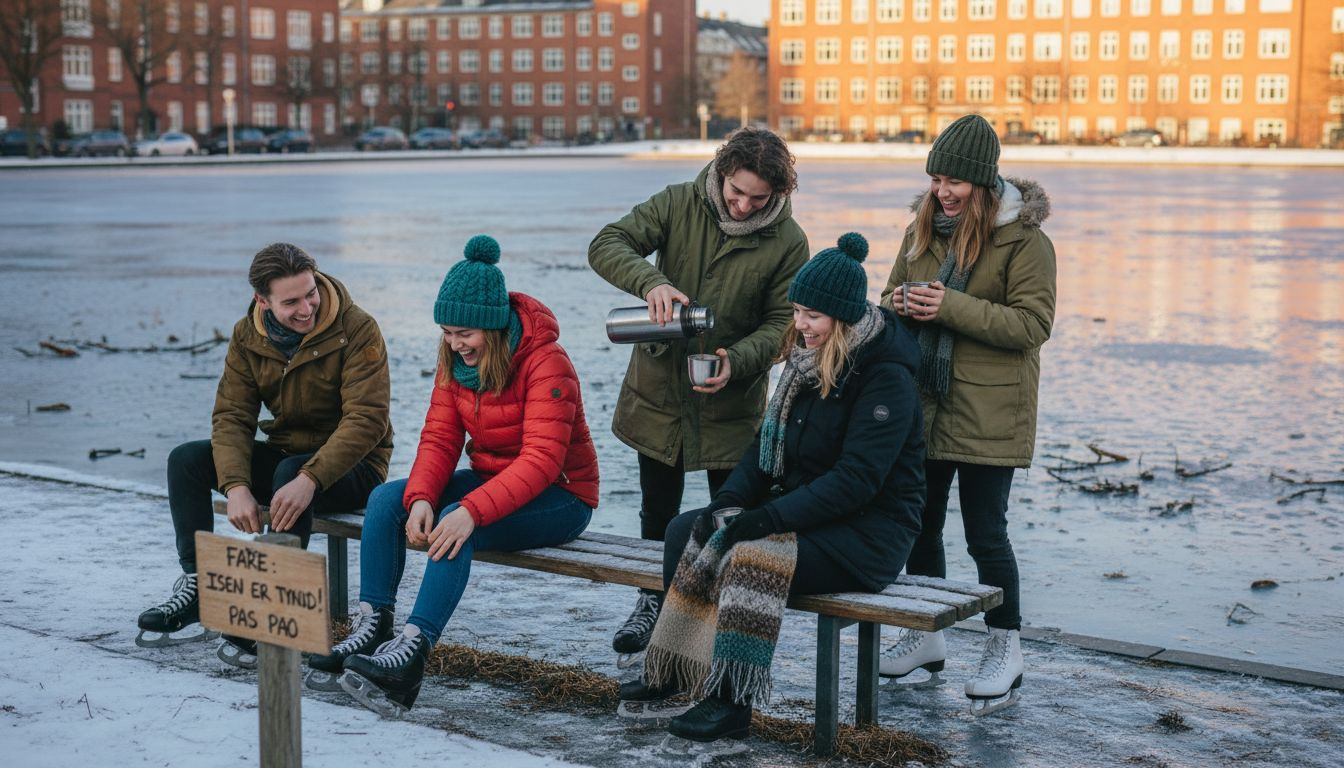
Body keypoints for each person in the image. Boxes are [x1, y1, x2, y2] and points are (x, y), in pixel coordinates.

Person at [618, 233, 926, 743]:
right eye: (797, 311)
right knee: (686, 531)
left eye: (812, 316)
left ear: (842, 319)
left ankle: (730, 701)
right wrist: (728, 504)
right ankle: (674, 670)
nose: (799, 325)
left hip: (870, 534)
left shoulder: (884, 378)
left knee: (750, 559)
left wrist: (765, 520)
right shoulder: (804, 367)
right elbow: (762, 454)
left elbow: (857, 481)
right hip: (812, 516)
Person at [317, 235, 599, 716]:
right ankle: (375, 626)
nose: (453, 343)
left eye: (463, 333)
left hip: (561, 497)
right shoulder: (454, 362)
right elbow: (440, 438)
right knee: (389, 500)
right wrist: (422, 495)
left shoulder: (546, 363)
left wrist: (468, 511)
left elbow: (542, 460)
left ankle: (411, 655)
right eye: (447, 332)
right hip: (494, 480)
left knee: (454, 524)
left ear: (492, 327)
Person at [588, 127, 809, 659]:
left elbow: (786, 324)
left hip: (732, 403)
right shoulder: (678, 202)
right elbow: (606, 243)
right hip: (659, 392)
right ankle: (650, 603)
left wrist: (739, 361)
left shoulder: (789, 240)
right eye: (737, 191)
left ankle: (707, 620)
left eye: (759, 198)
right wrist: (651, 282)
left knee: (726, 516)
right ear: (721, 171)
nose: (743, 205)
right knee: (655, 511)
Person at [135, 243, 393, 668]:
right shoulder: (247, 335)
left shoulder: (357, 327)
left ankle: (273, 614)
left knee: (292, 471)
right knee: (186, 460)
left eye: (310, 293)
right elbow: (233, 415)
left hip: (356, 467)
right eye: (290, 302)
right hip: (285, 457)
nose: (307, 307)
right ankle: (200, 587)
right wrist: (235, 485)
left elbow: (367, 420)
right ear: (263, 301)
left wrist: (309, 478)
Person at [877, 114, 1056, 715]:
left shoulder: (1025, 241)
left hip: (989, 409)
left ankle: (1006, 647)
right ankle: (927, 634)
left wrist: (951, 306)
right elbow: (888, 296)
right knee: (919, 527)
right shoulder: (923, 228)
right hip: (924, 405)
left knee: (987, 534)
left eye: (954, 181)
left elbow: (1033, 325)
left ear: (983, 182)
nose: (942, 191)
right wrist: (900, 301)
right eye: (935, 178)